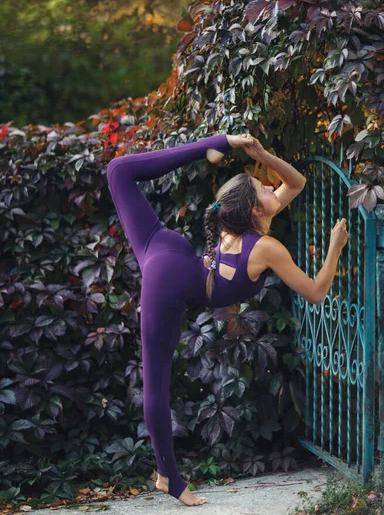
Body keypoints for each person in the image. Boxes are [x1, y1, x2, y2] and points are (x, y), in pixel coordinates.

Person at [106, 132, 349, 506]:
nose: (271, 185)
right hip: (166, 279)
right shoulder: (264, 246)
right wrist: (334, 248)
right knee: (156, 383)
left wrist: (261, 153)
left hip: (163, 248)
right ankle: (167, 477)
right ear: (255, 210)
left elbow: (295, 182)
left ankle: (211, 143)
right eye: (263, 188)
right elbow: (316, 293)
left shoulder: (241, 227)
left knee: (118, 170)